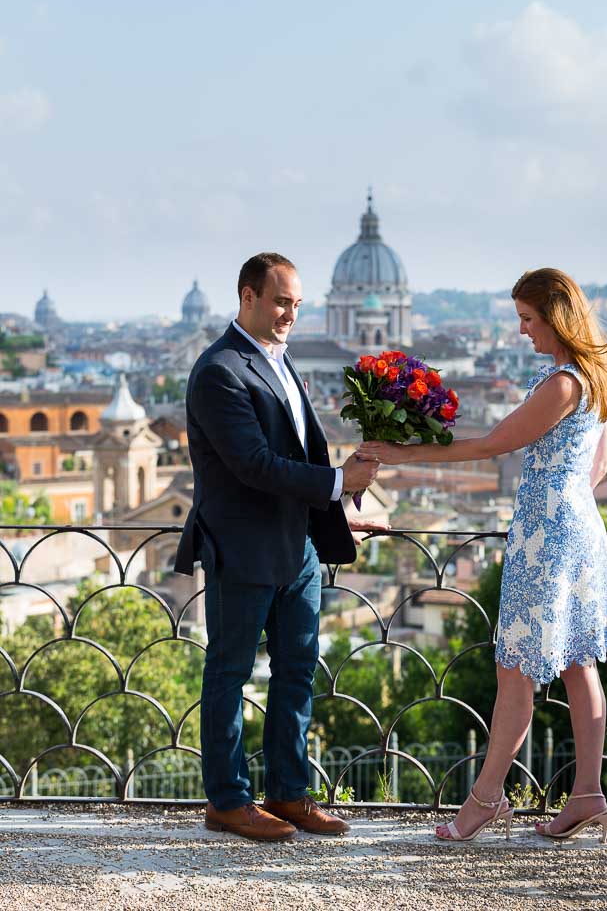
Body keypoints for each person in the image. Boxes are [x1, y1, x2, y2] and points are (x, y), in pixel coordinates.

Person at [359, 268, 607, 843]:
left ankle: (485, 800)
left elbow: (492, 446)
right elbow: (600, 466)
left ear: (557, 316)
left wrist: (398, 452)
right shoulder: (598, 372)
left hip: (546, 535)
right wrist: (564, 494)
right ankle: (586, 794)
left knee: (515, 670)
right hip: (576, 525)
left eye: (528, 319)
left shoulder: (562, 383)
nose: (521, 331)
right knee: (577, 663)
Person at [175, 252, 382, 842]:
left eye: (296, 302)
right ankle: (228, 801)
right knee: (230, 673)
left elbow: (296, 453)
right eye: (280, 301)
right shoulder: (220, 370)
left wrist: (337, 506)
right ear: (247, 298)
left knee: (297, 673)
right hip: (243, 548)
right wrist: (339, 483)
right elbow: (254, 464)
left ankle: (289, 794)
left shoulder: (280, 362)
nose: (291, 312)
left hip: (299, 549)